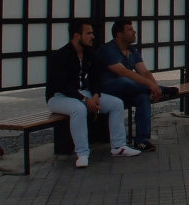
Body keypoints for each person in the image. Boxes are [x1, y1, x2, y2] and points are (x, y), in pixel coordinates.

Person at [46, 19, 140, 168]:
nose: (93, 36)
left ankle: (118, 146)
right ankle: (82, 153)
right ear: (77, 36)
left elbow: (95, 77)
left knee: (116, 104)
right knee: (79, 109)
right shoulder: (61, 56)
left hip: (84, 94)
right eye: (88, 33)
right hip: (59, 97)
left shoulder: (89, 53)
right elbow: (62, 86)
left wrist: (95, 95)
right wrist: (85, 99)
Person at [96, 17, 177, 152]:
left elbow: (144, 72)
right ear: (119, 33)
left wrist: (154, 86)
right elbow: (122, 72)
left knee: (143, 98)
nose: (134, 32)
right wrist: (153, 87)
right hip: (107, 89)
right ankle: (163, 89)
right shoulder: (108, 50)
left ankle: (141, 140)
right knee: (125, 81)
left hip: (128, 91)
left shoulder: (132, 51)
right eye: (130, 29)